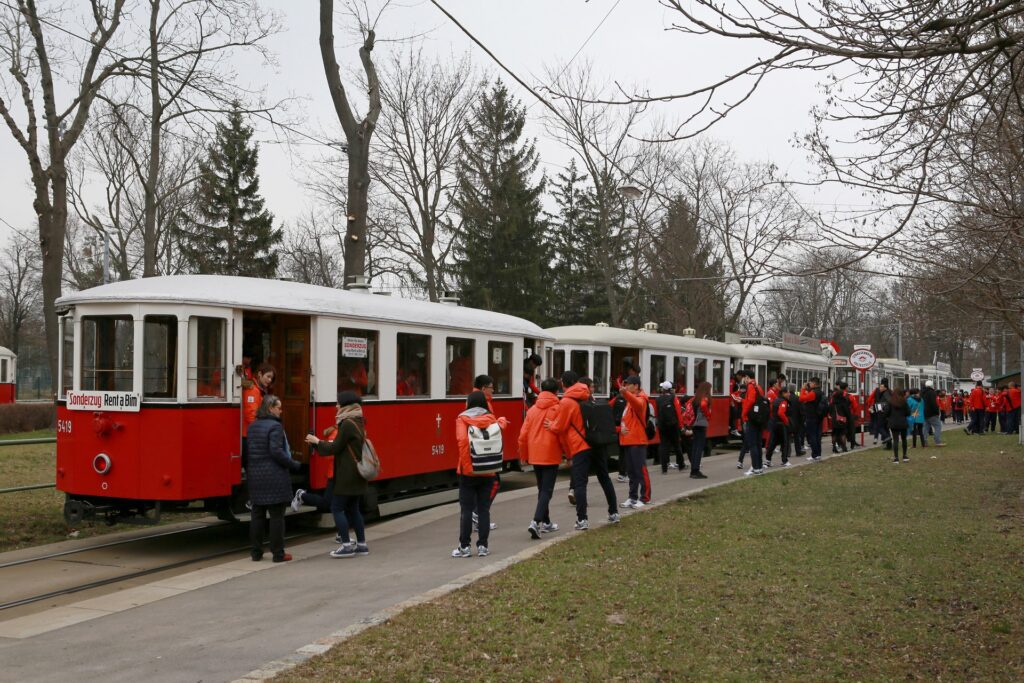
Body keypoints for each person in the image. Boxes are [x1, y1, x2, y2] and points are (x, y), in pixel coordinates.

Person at [305, 391, 371, 558]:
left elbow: (335, 448)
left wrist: (317, 442)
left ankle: (347, 546)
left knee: (336, 508)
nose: (336, 406)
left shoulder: (347, 424)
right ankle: (362, 545)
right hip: (356, 474)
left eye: (338, 403)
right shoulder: (358, 420)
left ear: (346, 405)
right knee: (354, 509)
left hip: (347, 475)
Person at [247, 394, 302, 562]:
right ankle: (278, 553)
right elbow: (276, 452)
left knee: (257, 516)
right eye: (279, 407)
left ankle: (256, 553)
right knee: (277, 516)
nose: (281, 410)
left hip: (256, 476)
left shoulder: (253, 426)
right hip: (274, 476)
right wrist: (294, 464)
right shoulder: (275, 427)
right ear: (270, 408)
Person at [452, 391, 506, 558]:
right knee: (483, 510)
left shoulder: (462, 419)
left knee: (466, 510)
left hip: (469, 472)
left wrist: (468, 467)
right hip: (488, 469)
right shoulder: (491, 418)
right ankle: (483, 546)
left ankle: (464, 547)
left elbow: (462, 442)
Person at [547, 371, 596, 530]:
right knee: (588, 480)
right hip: (590, 441)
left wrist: (551, 425)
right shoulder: (586, 395)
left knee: (579, 485)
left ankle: (582, 519)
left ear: (563, 383)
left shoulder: (567, 401)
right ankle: (612, 511)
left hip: (578, 444)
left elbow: (561, 426)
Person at [519, 378, 562, 538]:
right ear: (556, 392)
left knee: (541, 489)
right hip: (551, 452)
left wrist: (524, 454)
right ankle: (536, 521)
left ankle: (546, 522)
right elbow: (562, 432)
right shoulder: (558, 408)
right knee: (547, 490)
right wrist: (568, 453)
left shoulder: (532, 410)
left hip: (535, 453)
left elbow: (523, 435)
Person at [617, 375, 652, 508]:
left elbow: (637, 404)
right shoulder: (629, 400)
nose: (625, 386)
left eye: (628, 384)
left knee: (640, 470)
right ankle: (632, 497)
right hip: (628, 440)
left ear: (635, 386)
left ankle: (645, 497)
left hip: (637, 440)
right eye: (625, 384)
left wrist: (625, 393)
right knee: (631, 471)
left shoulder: (641, 399)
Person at [472, 374, 500, 532]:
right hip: (485, 451)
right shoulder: (482, 404)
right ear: (484, 388)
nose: (493, 390)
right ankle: (479, 515)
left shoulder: (475, 400)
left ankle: (478, 515)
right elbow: (487, 426)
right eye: (491, 387)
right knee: (494, 483)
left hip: (478, 452)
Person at [242, 363, 276, 469]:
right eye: (268, 376)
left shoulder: (257, 389)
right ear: (260, 374)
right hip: (250, 435)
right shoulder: (253, 390)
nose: (269, 380)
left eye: (271, 378)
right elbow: (251, 415)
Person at [655, 380, 686, 473]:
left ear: (663, 389)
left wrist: (658, 424)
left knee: (664, 446)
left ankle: (664, 468)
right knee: (677, 445)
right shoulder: (674, 398)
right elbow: (678, 413)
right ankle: (681, 465)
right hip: (673, 425)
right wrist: (681, 426)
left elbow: (657, 414)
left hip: (662, 426)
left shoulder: (658, 399)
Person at [741, 370, 767, 475]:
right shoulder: (758, 387)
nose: (744, 380)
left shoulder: (751, 386)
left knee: (752, 444)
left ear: (747, 377)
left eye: (744, 378)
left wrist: (744, 413)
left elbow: (751, 401)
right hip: (759, 418)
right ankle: (759, 467)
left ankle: (755, 468)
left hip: (752, 419)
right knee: (758, 443)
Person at [688, 381, 712, 479]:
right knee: (699, 448)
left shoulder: (695, 398)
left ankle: (693, 470)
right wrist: (708, 415)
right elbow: (703, 406)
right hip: (701, 424)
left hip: (694, 424)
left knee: (695, 447)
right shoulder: (704, 398)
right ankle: (696, 471)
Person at [800, 377, 825, 461]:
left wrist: (803, 389)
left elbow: (801, 398)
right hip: (819, 416)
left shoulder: (813, 393)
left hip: (811, 417)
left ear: (814, 383)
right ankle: (818, 454)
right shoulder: (821, 392)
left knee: (812, 436)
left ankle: (814, 455)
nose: (809, 384)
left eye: (810, 383)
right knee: (818, 436)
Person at [884, 388, 910, 463]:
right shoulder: (904, 401)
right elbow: (908, 412)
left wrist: (888, 417)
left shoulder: (890, 401)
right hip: (903, 422)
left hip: (893, 423)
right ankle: (905, 456)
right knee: (904, 439)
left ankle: (896, 458)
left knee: (895, 440)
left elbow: (886, 413)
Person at [921, 380, 945, 447]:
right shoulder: (932, 393)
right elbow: (933, 404)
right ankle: (937, 441)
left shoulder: (922, 393)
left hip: (924, 412)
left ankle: (924, 442)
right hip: (932, 413)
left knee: (925, 427)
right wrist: (937, 412)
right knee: (938, 426)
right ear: (931, 385)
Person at [868, 380, 892, 445]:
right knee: (885, 428)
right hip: (884, 413)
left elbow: (885, 404)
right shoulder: (888, 392)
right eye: (880, 386)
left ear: (885, 387)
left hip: (883, 414)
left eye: (881, 387)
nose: (880, 388)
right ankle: (888, 442)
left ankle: (887, 437)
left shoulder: (885, 394)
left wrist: (874, 408)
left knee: (879, 426)